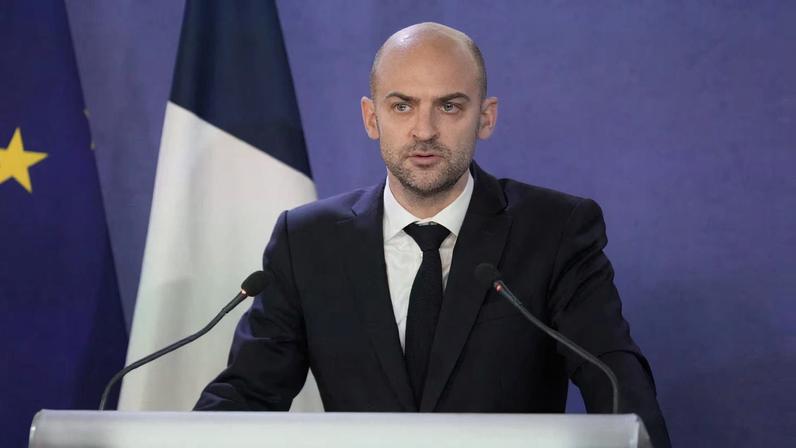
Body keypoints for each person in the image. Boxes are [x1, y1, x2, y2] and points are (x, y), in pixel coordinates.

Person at [196, 22, 671, 447]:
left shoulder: (555, 230)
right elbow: (249, 392)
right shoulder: (309, 242)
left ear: (485, 117)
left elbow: (614, 380)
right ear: (371, 117)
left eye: (449, 106)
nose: (424, 130)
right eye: (402, 106)